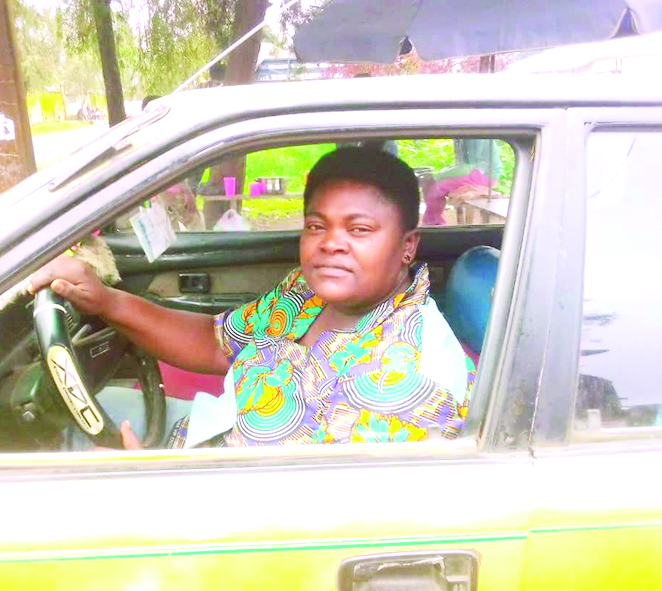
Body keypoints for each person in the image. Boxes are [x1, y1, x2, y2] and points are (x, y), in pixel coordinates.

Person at [29, 147, 472, 449]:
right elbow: (215, 342)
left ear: (407, 246)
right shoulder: (308, 294)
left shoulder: (406, 379)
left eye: (359, 230)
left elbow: (312, 525)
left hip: (210, 507)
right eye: (317, 226)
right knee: (55, 418)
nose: (330, 244)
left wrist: (154, 487)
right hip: (207, 430)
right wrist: (105, 300)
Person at [422, 139, 502, 225]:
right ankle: (433, 222)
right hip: (472, 171)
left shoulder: (474, 138)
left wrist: (434, 177)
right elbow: (460, 165)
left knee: (437, 187)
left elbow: (468, 168)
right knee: (428, 185)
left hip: (486, 175)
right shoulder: (459, 137)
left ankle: (433, 224)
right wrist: (436, 176)